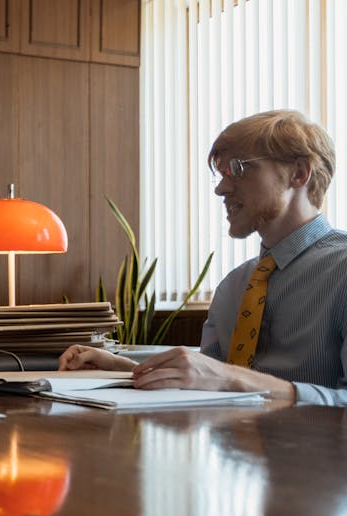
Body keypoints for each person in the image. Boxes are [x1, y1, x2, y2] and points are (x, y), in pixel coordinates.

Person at [60, 109, 347, 405]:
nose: (221, 188)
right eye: (220, 175)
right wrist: (122, 366)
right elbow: (210, 382)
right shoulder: (236, 285)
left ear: (299, 173)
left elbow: (226, 379)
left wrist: (230, 379)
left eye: (238, 169)